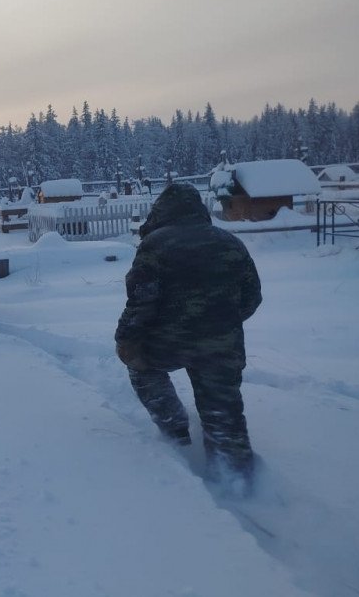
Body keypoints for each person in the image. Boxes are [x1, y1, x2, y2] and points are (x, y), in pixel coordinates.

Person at [115, 183, 262, 495]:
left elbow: (141, 301)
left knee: (141, 367)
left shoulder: (155, 244)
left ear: (163, 211)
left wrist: (126, 340)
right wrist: (220, 325)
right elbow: (252, 297)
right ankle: (240, 482)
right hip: (222, 346)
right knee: (223, 412)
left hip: (169, 344)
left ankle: (175, 431)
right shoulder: (230, 242)